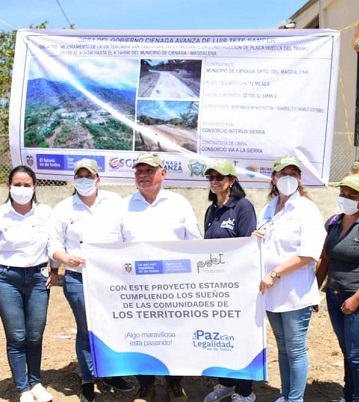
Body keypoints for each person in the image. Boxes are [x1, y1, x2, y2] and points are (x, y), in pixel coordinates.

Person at [49, 159, 133, 402]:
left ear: (98, 179)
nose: (84, 180)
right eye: (80, 176)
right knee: (87, 329)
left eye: (89, 176)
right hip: (78, 278)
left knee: (113, 325)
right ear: (74, 180)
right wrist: (66, 258)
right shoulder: (64, 209)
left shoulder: (115, 203)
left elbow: (127, 236)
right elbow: (53, 244)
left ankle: (111, 372)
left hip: (111, 278)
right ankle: (87, 377)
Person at [120, 152, 202, 402]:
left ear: (163, 173)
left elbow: (195, 242)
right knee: (141, 336)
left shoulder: (179, 203)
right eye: (139, 171)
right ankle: (146, 386)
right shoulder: (123, 205)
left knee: (173, 337)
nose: (142, 175)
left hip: (172, 288)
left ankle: (174, 384)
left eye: (149, 170)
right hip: (137, 288)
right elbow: (113, 245)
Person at [0, 165, 57, 402]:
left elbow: (54, 244)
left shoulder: (46, 213)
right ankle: (23, 388)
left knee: (35, 335)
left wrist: (54, 270)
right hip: (7, 280)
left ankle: (36, 383)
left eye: (27, 185)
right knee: (17, 336)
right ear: (9, 186)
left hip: (37, 279)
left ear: (35, 187)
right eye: (17, 184)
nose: (22, 189)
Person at [254, 155, 326, 402]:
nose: (288, 178)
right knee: (282, 349)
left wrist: (275, 273)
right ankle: (285, 395)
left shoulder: (307, 209)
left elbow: (308, 254)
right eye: (282, 174)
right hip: (271, 292)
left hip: (295, 292)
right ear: (273, 178)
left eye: (293, 174)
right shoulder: (269, 207)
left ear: (299, 179)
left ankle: (295, 399)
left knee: (295, 350)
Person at [315, 174, 359, 402]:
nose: (345, 198)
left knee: (357, 355)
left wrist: (356, 298)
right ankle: (349, 396)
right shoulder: (334, 223)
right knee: (347, 352)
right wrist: (313, 292)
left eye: (351, 196)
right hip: (334, 297)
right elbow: (325, 260)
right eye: (343, 194)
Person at [201, 159, 257, 402]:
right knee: (221, 337)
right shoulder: (211, 210)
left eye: (220, 177)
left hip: (239, 286)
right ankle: (226, 383)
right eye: (211, 177)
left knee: (242, 337)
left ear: (232, 181)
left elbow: (248, 248)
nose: (214, 181)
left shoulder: (243, 207)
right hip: (216, 287)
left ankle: (245, 391)